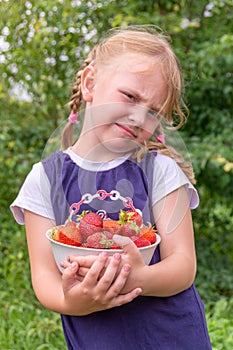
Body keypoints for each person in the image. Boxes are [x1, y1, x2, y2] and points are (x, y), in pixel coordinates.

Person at [10, 26, 212, 349]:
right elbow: (45, 281)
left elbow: (183, 265)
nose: (137, 117)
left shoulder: (159, 170)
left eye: (153, 112)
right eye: (130, 96)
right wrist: (77, 300)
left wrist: (138, 279)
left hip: (174, 339)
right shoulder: (44, 180)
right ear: (90, 84)